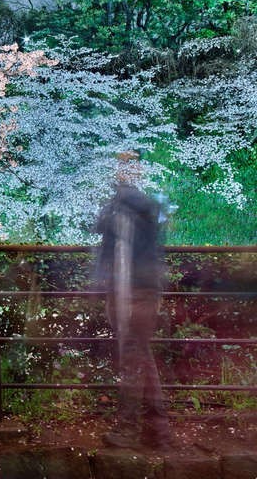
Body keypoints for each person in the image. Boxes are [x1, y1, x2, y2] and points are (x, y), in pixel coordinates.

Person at [94, 152, 172, 450]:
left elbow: (122, 254)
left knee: (132, 359)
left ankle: (128, 429)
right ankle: (159, 432)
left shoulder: (124, 207)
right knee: (142, 357)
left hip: (131, 292)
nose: (120, 170)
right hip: (141, 291)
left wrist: (119, 297)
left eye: (126, 164)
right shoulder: (139, 206)